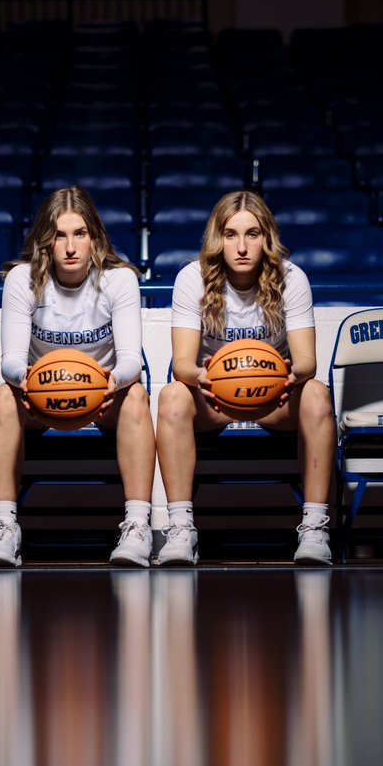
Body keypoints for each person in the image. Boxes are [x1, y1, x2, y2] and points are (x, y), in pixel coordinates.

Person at [155, 191, 336, 566]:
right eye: (230, 234)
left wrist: (280, 377)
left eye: (252, 234)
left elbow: (307, 363)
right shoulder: (193, 278)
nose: (241, 246)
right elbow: (183, 365)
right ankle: (180, 527)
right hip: (216, 398)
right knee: (172, 395)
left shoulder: (291, 277)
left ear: (266, 237)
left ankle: (316, 527)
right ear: (216, 238)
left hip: (274, 398)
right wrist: (206, 377)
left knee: (317, 394)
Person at [0, 186, 156, 567]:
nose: (71, 246)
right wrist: (23, 380)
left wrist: (114, 382)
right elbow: (10, 358)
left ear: (95, 237)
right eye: (60, 235)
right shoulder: (23, 280)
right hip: (40, 398)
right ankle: (5, 526)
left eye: (80, 233)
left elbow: (130, 362)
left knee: (137, 396)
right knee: (2, 399)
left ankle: (139, 526)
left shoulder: (119, 280)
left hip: (102, 397)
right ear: (46, 240)